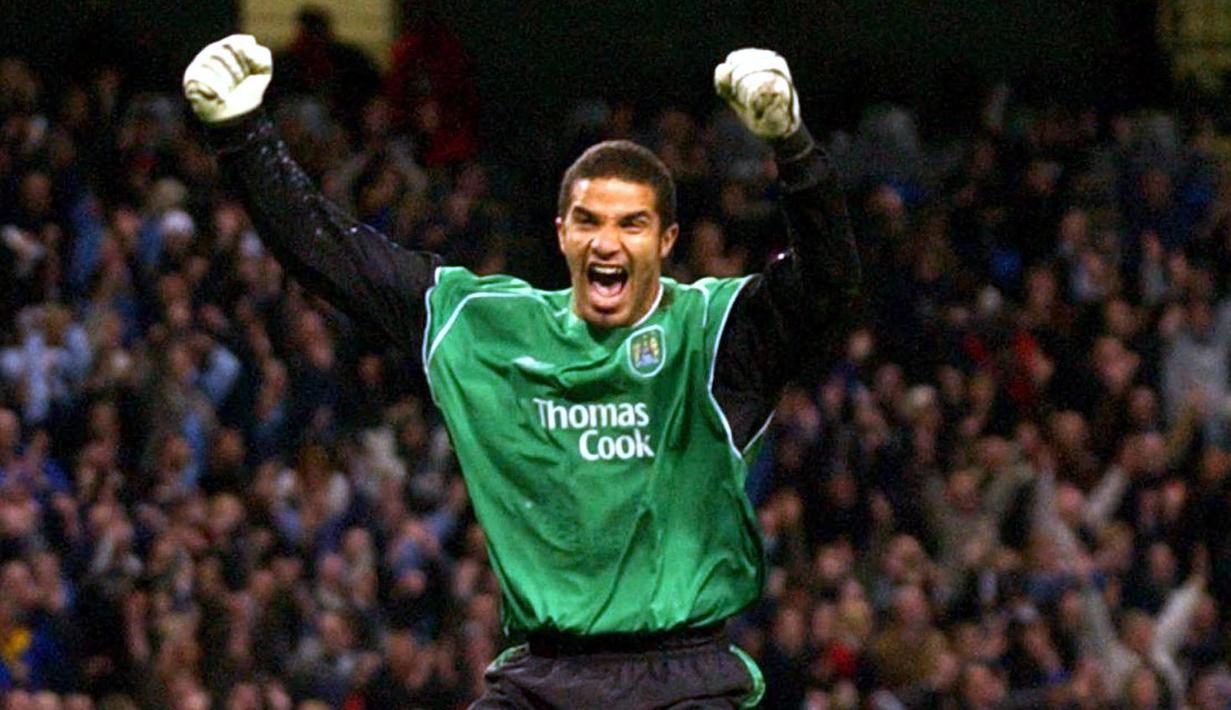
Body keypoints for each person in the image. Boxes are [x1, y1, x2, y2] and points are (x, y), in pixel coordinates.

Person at [183, 34, 859, 707]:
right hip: (542, 680)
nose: (606, 242)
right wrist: (244, 137)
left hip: (682, 682)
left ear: (667, 241)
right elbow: (336, 259)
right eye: (589, 221)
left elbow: (827, 285)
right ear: (562, 231)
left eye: (632, 224)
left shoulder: (711, 335)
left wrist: (792, 148)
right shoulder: (485, 330)